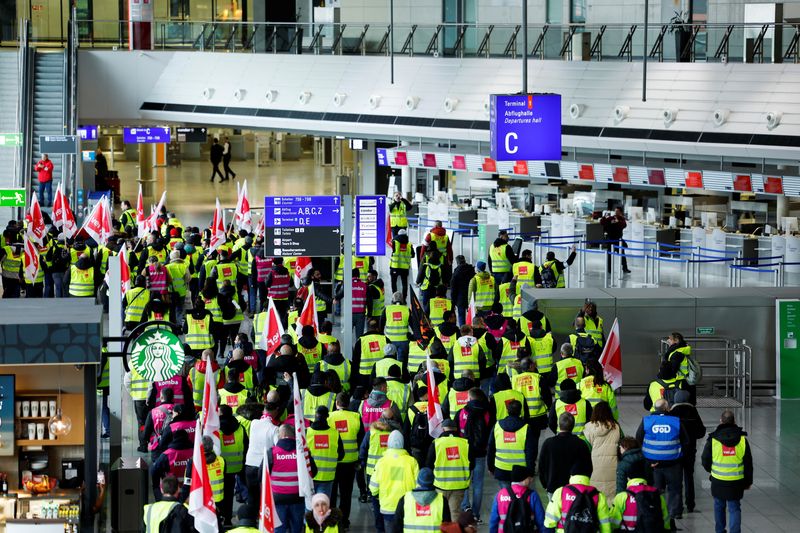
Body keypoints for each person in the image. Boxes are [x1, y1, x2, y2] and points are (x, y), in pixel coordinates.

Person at [636, 399, 689, 525]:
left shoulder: (647, 421)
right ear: (667, 408)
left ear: (654, 408)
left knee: (654, 488)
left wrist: (647, 459)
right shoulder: (676, 421)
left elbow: (638, 438)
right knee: (675, 488)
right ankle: (675, 512)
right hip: (673, 462)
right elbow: (686, 441)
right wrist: (679, 456)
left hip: (652, 463)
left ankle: (653, 510)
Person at [701, 410, 752, 533]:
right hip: (736, 481)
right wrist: (748, 482)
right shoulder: (742, 440)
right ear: (734, 421)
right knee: (734, 508)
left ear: (721, 421)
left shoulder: (713, 440)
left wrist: (712, 471)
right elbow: (748, 464)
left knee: (719, 506)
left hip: (718, 480)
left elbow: (705, 459)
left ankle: (719, 530)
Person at [270, 424, 318, 533]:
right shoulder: (303, 453)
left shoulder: (272, 452)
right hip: (298, 496)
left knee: (279, 529)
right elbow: (313, 472)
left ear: (281, 435)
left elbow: (261, 475)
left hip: (278, 498)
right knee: (296, 528)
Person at [370, 430, 419, 533]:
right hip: (407, 507)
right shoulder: (412, 461)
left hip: (388, 507)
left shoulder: (381, 462)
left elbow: (373, 487)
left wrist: (377, 495)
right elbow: (418, 486)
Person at [329, 392, 364, 529]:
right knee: (346, 494)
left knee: (332, 494)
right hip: (350, 462)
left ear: (336, 403)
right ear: (348, 404)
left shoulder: (330, 417)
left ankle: (332, 522)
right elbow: (361, 439)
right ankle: (343, 522)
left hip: (333, 461)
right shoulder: (355, 417)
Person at [426, 419, 471, 523]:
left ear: (443, 429)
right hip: (459, 485)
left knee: (440, 513)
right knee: (455, 513)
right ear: (456, 429)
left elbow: (428, 464)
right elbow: (471, 463)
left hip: (440, 485)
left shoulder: (436, 443)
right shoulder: (465, 443)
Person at [487, 399, 537, 490]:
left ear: (507, 410)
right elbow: (531, 453)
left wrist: (490, 467)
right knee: (519, 498)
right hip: (521, 471)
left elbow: (491, 448)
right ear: (520, 411)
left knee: (506, 497)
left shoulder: (497, 426)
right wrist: (530, 472)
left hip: (501, 469)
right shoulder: (526, 428)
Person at [538, 413, 593, 496]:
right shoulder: (581, 444)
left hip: (553, 488)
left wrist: (545, 485)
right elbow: (588, 467)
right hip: (575, 490)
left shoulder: (548, 443)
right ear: (573, 425)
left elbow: (541, 467)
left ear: (558, 424)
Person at [670, 389, 705, 515]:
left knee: (677, 478)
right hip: (690, 450)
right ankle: (690, 504)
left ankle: (677, 508)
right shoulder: (693, 411)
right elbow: (701, 432)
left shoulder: (672, 412)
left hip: (675, 450)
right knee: (689, 476)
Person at [544, 470, 613, 533]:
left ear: (571, 475)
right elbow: (605, 525)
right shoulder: (599, 496)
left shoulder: (561, 492)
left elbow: (550, 521)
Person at [487, 465, 547, 533]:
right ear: (523, 480)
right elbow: (541, 521)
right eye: (529, 478)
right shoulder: (532, 495)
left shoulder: (500, 495)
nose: (531, 480)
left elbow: (493, 521)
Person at [393, 468, 452, 533]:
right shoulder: (442, 500)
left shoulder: (405, 499)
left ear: (418, 481)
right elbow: (447, 527)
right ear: (433, 481)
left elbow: (396, 526)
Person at [583, 401, 620, 500]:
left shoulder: (588, 427)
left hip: (594, 467)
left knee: (596, 497)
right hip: (613, 467)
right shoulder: (617, 427)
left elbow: (585, 449)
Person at [307, 406, 344, 497]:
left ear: (315, 416)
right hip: (327, 477)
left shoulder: (306, 432)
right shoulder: (334, 433)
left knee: (309, 507)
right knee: (322, 507)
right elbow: (341, 455)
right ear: (327, 416)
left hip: (309, 476)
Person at [600, 206, 630, 274]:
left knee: (622, 254)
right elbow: (602, 223)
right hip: (610, 239)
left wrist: (618, 221)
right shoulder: (611, 218)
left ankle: (625, 268)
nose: (616, 212)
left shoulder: (622, 219)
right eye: (615, 211)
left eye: (618, 211)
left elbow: (624, 225)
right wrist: (604, 217)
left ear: (620, 212)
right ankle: (609, 269)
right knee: (609, 255)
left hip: (618, 240)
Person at [450, 256, 475, 326]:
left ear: (457, 262)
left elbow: (453, 289)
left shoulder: (456, 273)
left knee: (461, 316)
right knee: (472, 314)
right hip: (471, 297)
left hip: (460, 299)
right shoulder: (471, 270)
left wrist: (453, 302)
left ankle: (463, 331)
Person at [389, 229, 413, 298]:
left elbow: (392, 251)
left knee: (394, 283)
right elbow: (413, 255)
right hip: (405, 268)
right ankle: (404, 299)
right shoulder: (409, 244)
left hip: (395, 266)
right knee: (404, 284)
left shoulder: (395, 242)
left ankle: (395, 298)